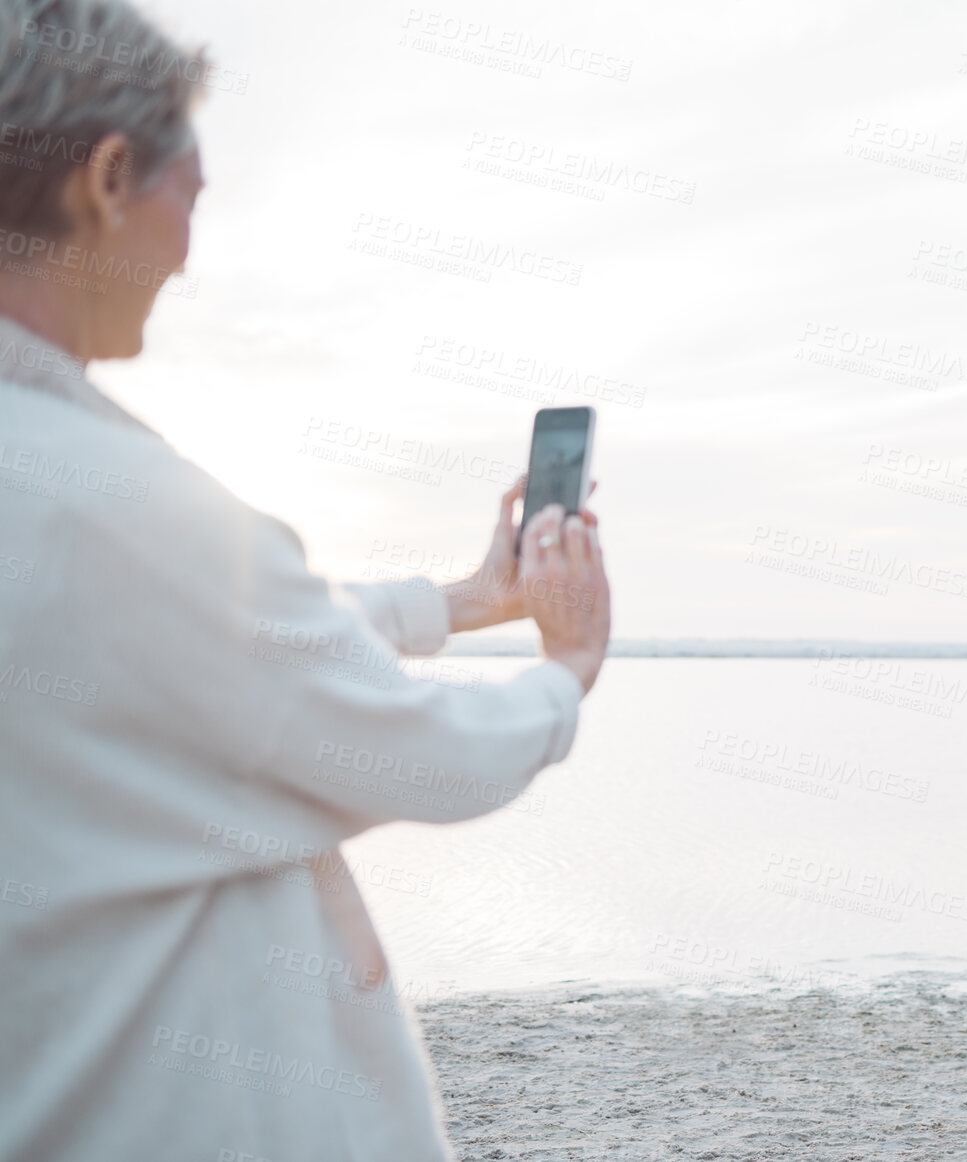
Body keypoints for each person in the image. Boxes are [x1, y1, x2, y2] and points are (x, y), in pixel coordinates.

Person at [0, 2, 610, 1158]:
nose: (189, 246)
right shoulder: (109, 499)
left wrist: (466, 600)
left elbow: (211, 651)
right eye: (193, 193)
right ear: (107, 176)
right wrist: (565, 671)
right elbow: (425, 755)